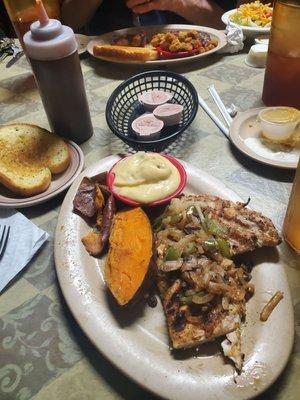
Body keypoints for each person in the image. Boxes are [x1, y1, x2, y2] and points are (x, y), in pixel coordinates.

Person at [61, 0, 240, 35]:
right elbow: (68, 22)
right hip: (109, 63)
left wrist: (177, 3)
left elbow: (231, 27)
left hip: (197, 56)